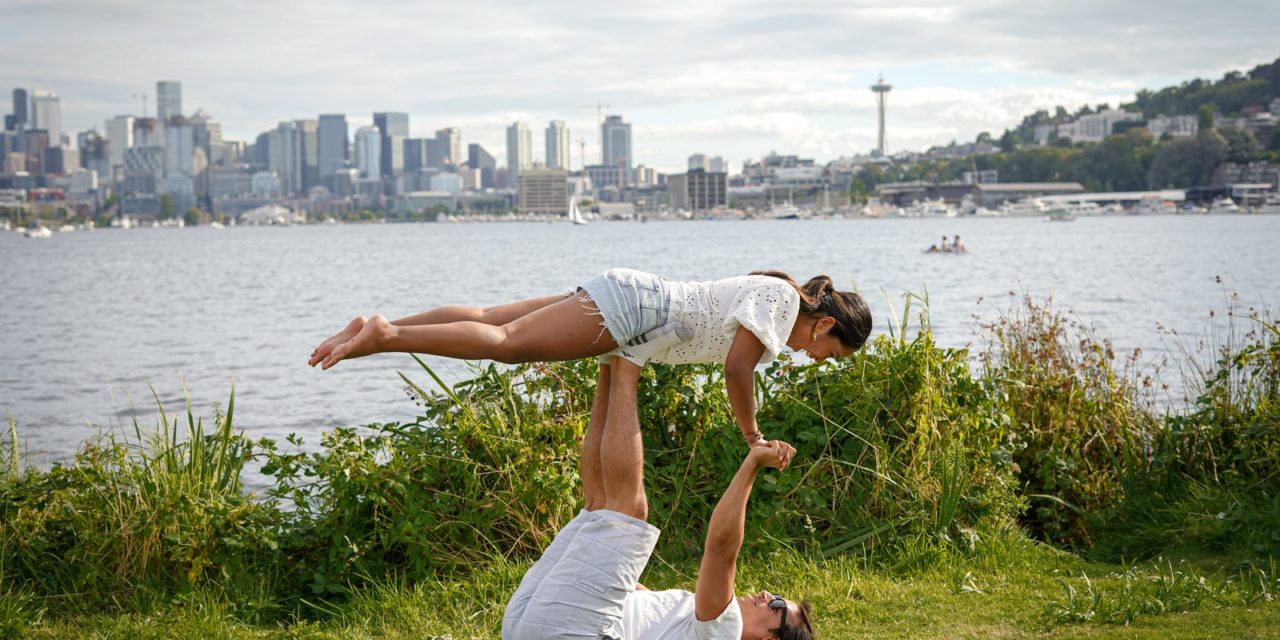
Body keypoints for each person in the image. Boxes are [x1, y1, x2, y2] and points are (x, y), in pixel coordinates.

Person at [309, 268, 872, 448]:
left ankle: (381, 325)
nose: (819, 359)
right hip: (633, 308)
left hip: (632, 297)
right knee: (508, 348)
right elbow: (736, 370)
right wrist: (752, 436)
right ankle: (385, 335)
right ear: (825, 323)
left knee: (491, 319)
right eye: (830, 351)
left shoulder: (774, 305)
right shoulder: (778, 302)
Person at [502, 357, 816, 640]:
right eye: (774, 595)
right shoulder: (698, 625)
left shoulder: (725, 633)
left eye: (775, 605)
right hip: (532, 623)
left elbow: (721, 548)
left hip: (566, 628)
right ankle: (609, 360)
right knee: (600, 508)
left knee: (628, 514)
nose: (765, 594)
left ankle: (630, 358)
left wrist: (752, 464)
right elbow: (637, 600)